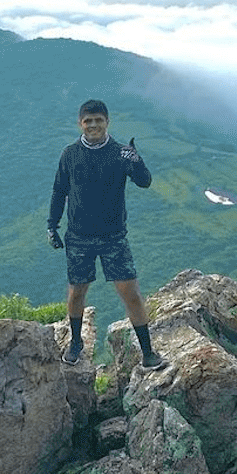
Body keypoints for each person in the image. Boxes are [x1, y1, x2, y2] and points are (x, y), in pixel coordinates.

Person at [48, 98, 163, 370]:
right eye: (88, 121)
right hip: (78, 236)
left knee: (131, 293)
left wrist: (137, 161)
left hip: (114, 236)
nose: (93, 125)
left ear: (107, 122)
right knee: (77, 292)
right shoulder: (70, 154)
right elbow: (59, 191)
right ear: (80, 123)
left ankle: (148, 353)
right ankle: (76, 344)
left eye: (98, 120)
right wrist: (52, 225)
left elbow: (144, 182)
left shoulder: (121, 154)